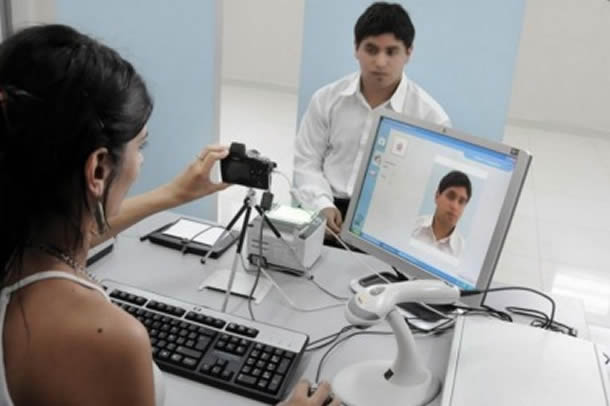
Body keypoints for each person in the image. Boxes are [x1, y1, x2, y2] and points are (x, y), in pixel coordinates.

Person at [0, 25, 339, 406]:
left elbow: (75, 234)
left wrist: (176, 193)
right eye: (140, 146)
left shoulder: (21, 245)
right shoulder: (109, 337)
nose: (141, 161)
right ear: (98, 169)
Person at [294, 2, 451, 237]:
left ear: (409, 53)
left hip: (386, 225)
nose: (380, 62)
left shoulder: (431, 118)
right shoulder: (326, 99)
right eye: (371, 49)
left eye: (391, 51)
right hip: (326, 209)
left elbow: (426, 192)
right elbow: (306, 162)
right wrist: (321, 205)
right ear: (356, 49)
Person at [411, 171, 472, 258]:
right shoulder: (412, 226)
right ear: (437, 196)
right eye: (451, 196)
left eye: (461, 202)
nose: (455, 206)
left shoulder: (463, 252)